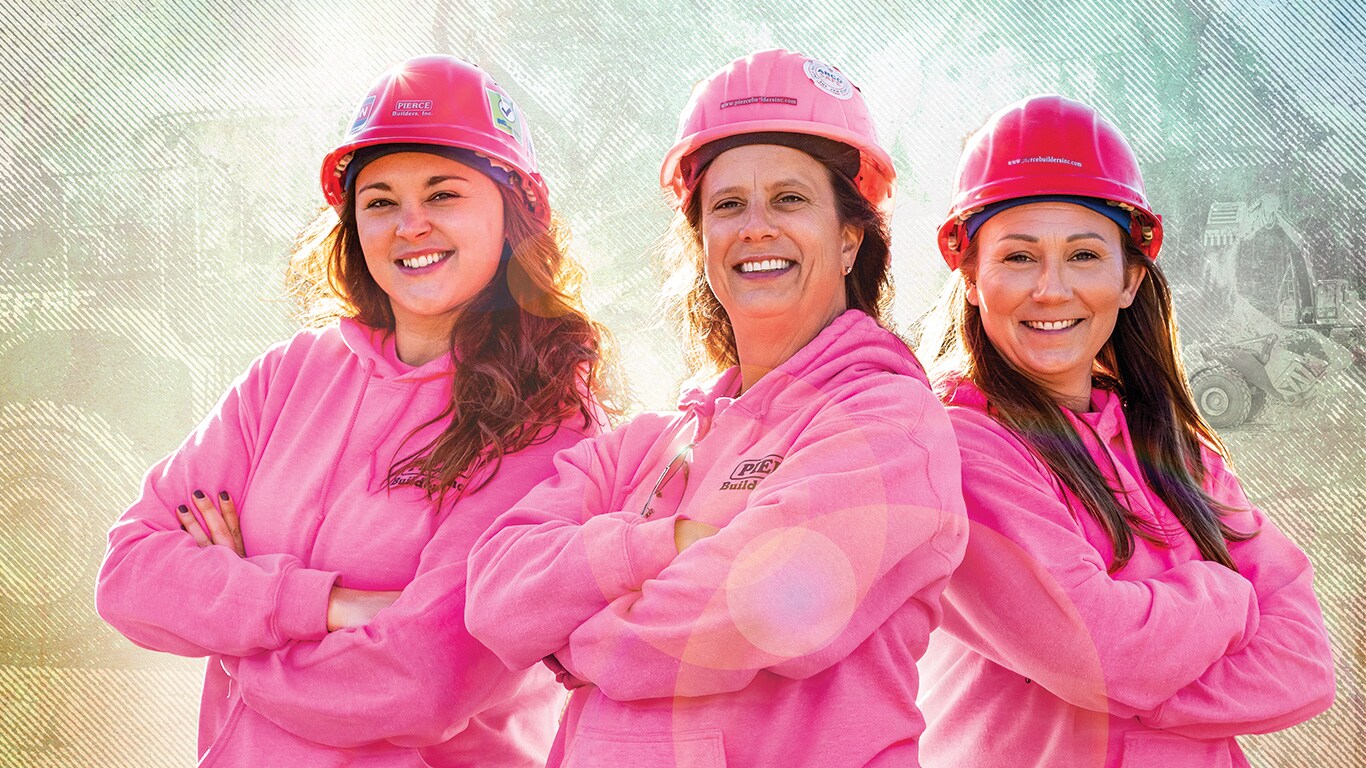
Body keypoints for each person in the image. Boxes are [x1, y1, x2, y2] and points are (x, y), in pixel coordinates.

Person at [95, 54, 611, 767]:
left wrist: (233, 634)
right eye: (379, 201)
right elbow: (129, 574)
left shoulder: (549, 424)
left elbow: (422, 681)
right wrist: (326, 606)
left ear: (513, 212)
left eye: (444, 193)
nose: (410, 225)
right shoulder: (286, 378)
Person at [464, 48, 967, 767]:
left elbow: (751, 610)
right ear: (702, 243)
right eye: (728, 205)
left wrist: (574, 630)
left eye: (790, 199)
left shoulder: (891, 425)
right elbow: (495, 597)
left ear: (850, 238)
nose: (755, 227)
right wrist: (659, 545)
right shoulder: (646, 446)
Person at [915, 94, 1335, 767]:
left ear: (1131, 277)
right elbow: (1102, 655)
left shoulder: (1170, 445)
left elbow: (1306, 663)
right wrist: (1227, 596)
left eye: (1084, 255)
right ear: (969, 276)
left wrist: (1126, 678)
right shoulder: (959, 450)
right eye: (1019, 257)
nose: (1051, 290)